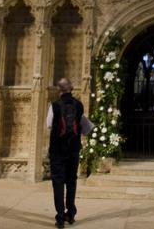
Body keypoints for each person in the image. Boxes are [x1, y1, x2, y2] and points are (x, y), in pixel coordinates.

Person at [46, 77, 93, 228]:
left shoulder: (54, 106)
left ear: (60, 90)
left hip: (57, 151)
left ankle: (60, 218)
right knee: (71, 181)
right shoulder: (79, 105)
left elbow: (48, 125)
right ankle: (71, 214)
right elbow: (83, 126)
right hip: (73, 149)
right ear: (71, 88)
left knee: (58, 183)